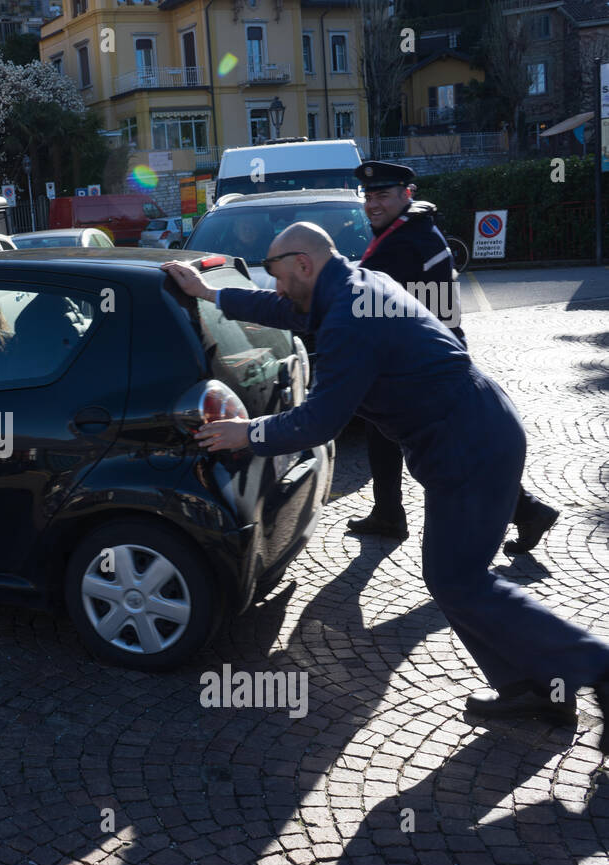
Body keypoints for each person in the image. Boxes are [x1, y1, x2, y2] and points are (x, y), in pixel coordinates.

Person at [161, 223, 609, 733]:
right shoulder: (351, 284)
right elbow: (284, 310)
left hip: (469, 444)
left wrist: (249, 434)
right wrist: (212, 294)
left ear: (304, 265)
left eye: (281, 276)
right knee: (454, 579)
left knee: (459, 579)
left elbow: (319, 422)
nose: (278, 287)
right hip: (473, 429)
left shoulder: (350, 319)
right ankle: (537, 687)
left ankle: (594, 666)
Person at [351, 161, 559, 553]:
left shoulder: (407, 242)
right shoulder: (409, 230)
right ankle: (388, 512)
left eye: (382, 195)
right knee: (381, 433)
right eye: (368, 196)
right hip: (419, 362)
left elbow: (371, 302)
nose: (372, 204)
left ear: (405, 194)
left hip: (426, 369)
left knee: (454, 456)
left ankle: (527, 511)